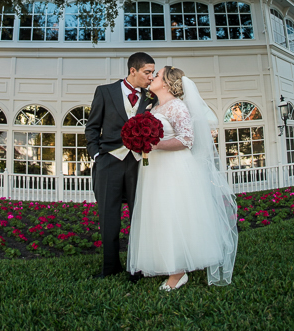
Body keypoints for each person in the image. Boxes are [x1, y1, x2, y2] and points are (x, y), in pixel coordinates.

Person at [127, 66, 238, 290]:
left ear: (167, 83)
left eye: (156, 75)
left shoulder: (177, 107)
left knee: (174, 214)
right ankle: (169, 263)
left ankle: (178, 274)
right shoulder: (154, 106)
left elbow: (187, 140)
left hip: (174, 169)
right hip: (155, 169)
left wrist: (154, 144)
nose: (152, 77)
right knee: (159, 215)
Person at [86, 52, 156, 280]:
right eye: (147, 72)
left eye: (153, 73)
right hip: (109, 162)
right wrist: (97, 155)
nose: (151, 77)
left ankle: (137, 266)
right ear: (132, 70)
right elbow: (92, 127)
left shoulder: (151, 97)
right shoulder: (105, 92)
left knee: (139, 216)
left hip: (138, 164)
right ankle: (109, 267)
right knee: (109, 216)